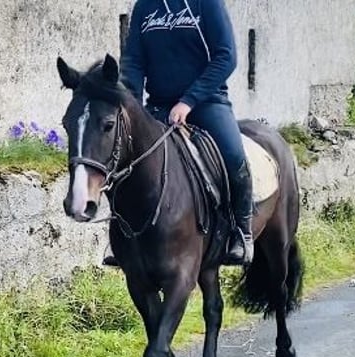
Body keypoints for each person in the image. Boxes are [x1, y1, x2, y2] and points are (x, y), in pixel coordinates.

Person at [104, 0, 253, 267]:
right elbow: (134, 62)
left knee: (233, 156)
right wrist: (132, 107)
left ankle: (241, 231)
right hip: (159, 105)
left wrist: (189, 100)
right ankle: (123, 239)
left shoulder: (207, 4)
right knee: (127, 158)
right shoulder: (145, 7)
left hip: (207, 102)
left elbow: (226, 56)